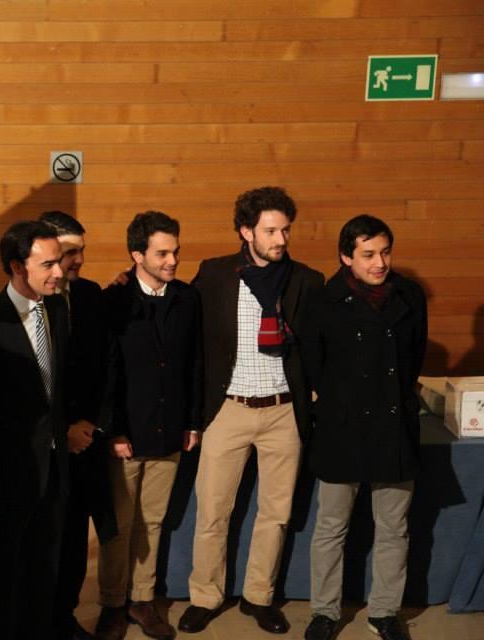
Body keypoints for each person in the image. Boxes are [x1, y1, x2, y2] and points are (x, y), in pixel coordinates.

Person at [178, 186, 324, 635]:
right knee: (212, 512)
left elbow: (320, 343)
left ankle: (259, 597)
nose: (281, 238)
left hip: (283, 412)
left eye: (285, 230)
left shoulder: (306, 280)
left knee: (276, 514)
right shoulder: (215, 274)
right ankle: (205, 596)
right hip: (229, 409)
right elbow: (182, 315)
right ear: (246, 232)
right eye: (271, 230)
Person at [301, 215, 427, 640]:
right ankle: (324, 612)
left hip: (393, 427)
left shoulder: (409, 295)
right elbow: (313, 365)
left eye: (385, 252)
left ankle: (385, 612)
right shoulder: (323, 300)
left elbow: (413, 357)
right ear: (346, 257)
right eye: (369, 254)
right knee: (330, 528)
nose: (380, 263)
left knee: (394, 528)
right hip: (341, 428)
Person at [93, 211, 203, 640]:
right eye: (162, 253)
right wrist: (114, 430)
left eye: (175, 251)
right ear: (137, 255)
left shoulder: (187, 299)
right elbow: (106, 371)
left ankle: (141, 599)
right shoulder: (113, 301)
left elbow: (195, 364)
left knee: (153, 521)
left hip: (169, 429)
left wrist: (192, 422)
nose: (172, 260)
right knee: (118, 526)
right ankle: (111, 603)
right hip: (126, 435)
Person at [0, 220, 70, 640]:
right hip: (13, 473)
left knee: (47, 565)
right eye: (48, 264)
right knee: (9, 572)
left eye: (60, 261)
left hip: (57, 465)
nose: (59, 272)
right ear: (17, 266)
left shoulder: (59, 309)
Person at [39, 211, 117, 640]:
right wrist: (60, 431)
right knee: (45, 544)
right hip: (45, 452)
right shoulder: (24, 307)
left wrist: (93, 424)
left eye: (81, 251)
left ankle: (64, 617)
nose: (79, 260)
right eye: (70, 252)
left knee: (74, 541)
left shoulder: (90, 295)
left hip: (86, 443)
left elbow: (107, 364)